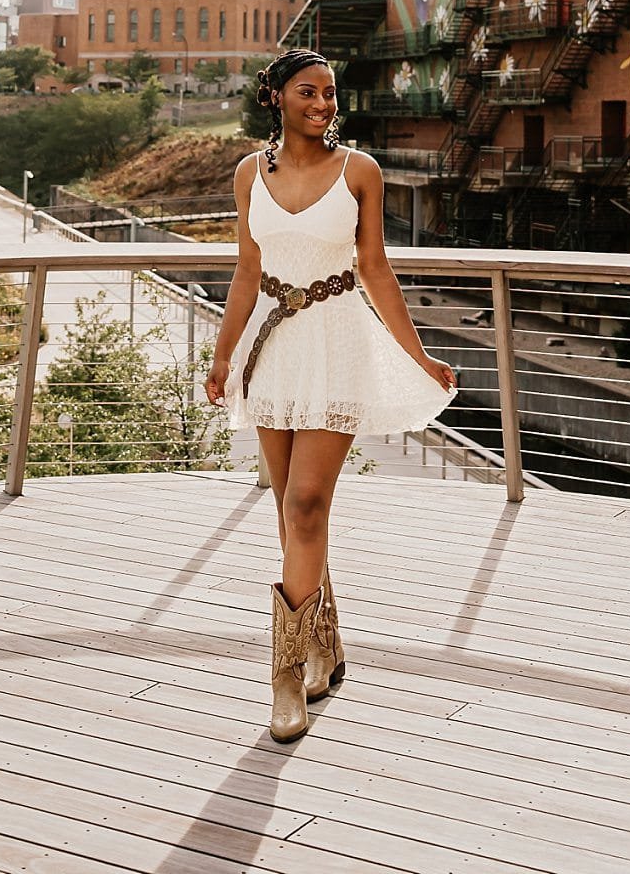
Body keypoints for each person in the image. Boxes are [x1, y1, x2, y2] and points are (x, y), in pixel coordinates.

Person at [205, 47, 458, 742]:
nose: (323, 104)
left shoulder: (361, 172)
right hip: (274, 348)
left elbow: (375, 269)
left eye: (331, 94)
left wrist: (418, 354)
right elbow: (246, 271)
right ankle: (325, 645)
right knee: (291, 519)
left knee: (307, 504)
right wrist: (223, 354)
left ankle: (286, 677)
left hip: (339, 340)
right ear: (277, 98)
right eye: (309, 93)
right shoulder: (247, 174)